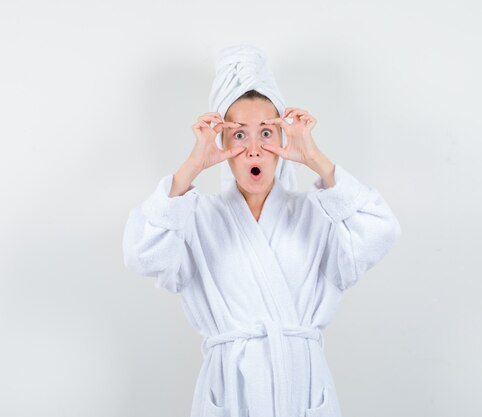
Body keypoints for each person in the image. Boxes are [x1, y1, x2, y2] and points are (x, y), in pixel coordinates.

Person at [122, 45, 401, 417]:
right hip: (229, 395)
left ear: (284, 140)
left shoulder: (317, 213)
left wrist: (315, 158)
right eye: (239, 135)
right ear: (221, 143)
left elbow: (381, 231)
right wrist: (191, 166)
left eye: (266, 133)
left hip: (303, 393)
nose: (254, 149)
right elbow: (141, 254)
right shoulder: (193, 218)